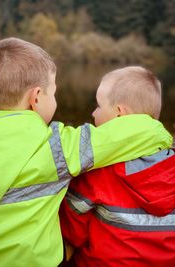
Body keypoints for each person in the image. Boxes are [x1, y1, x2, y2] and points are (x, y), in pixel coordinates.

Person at [0, 38, 172, 267]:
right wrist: (159, 132)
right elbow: (116, 137)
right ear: (36, 98)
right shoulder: (53, 146)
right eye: (54, 93)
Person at [60, 66, 175, 267]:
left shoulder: (98, 172)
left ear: (120, 114)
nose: (93, 112)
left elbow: (71, 230)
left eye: (98, 105)